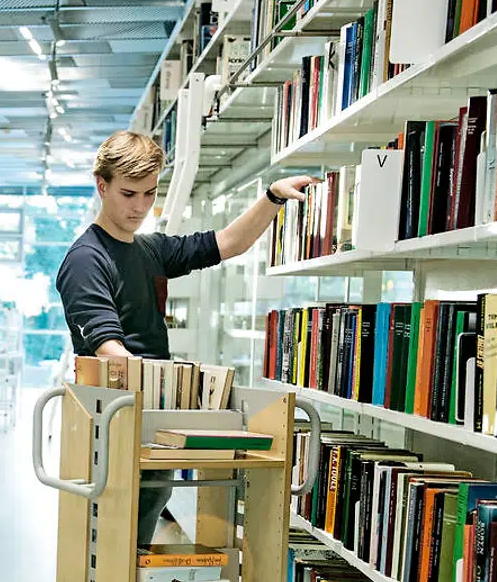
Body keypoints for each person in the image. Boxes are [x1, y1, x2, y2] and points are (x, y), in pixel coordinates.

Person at [55, 130, 317, 543]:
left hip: (153, 419)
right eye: (128, 194)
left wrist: (272, 197)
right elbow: (110, 350)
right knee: (112, 546)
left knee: (138, 536)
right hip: (116, 421)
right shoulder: (87, 259)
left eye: (148, 193)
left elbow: (228, 243)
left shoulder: (149, 250)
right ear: (102, 186)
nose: (140, 207)